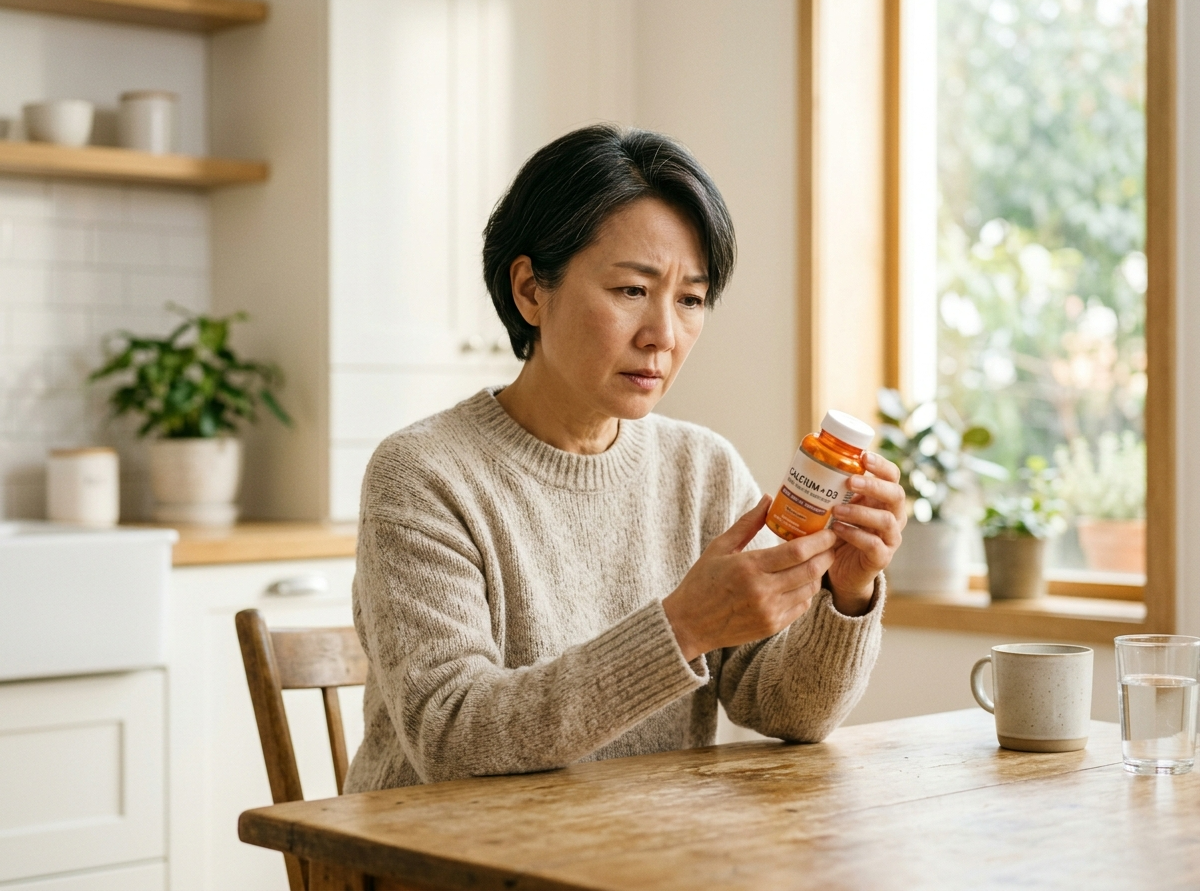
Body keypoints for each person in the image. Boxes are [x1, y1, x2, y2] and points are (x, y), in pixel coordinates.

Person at [344, 125, 906, 792]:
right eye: (631, 291)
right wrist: (683, 626)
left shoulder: (702, 468)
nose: (663, 335)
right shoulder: (424, 475)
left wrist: (847, 593)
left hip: (635, 856)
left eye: (690, 300)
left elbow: (787, 711)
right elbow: (451, 733)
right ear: (530, 290)